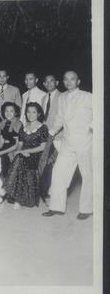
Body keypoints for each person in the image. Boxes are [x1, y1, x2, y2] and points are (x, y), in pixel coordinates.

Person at [43, 71, 93, 220]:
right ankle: (56, 207)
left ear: (78, 81)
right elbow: (59, 118)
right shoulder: (62, 97)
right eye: (66, 79)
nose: (69, 82)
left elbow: (100, 114)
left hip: (86, 141)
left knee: (87, 175)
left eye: (72, 79)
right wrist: (51, 133)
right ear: (63, 82)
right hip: (68, 141)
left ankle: (86, 208)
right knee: (58, 172)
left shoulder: (88, 96)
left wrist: (91, 128)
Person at [4, 102, 48, 208]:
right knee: (19, 158)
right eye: (28, 112)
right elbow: (20, 144)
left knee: (20, 158)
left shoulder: (43, 128)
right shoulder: (23, 127)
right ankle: (17, 199)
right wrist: (18, 151)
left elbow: (42, 147)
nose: (30, 114)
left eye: (33, 112)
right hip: (23, 155)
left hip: (36, 156)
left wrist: (26, 152)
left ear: (38, 114)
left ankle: (6, 188)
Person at [38, 74, 63, 200]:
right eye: (46, 82)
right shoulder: (43, 98)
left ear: (57, 82)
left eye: (51, 81)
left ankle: (54, 193)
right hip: (46, 136)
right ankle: (46, 190)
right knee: (46, 163)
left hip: (58, 137)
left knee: (56, 165)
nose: (49, 84)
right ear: (43, 84)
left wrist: (54, 133)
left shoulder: (63, 97)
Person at [0, 102, 22, 178]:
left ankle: (5, 183)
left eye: (11, 111)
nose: (8, 113)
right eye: (6, 111)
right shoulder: (2, 123)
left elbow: (17, 145)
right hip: (4, 147)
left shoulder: (18, 124)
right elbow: (0, 140)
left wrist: (0, 152)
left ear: (15, 113)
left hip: (13, 149)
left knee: (3, 159)